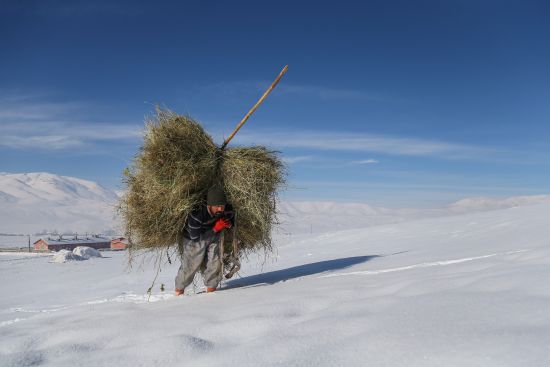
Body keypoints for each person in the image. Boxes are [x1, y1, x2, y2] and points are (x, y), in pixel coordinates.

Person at [174, 186, 232, 295]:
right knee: (191, 265)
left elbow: (230, 217)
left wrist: (228, 223)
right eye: (217, 206)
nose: (220, 209)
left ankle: (211, 291)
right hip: (194, 239)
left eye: (222, 206)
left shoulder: (226, 209)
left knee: (215, 261)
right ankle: (179, 291)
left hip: (214, 236)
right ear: (209, 205)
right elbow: (196, 237)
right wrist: (215, 228)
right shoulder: (197, 214)